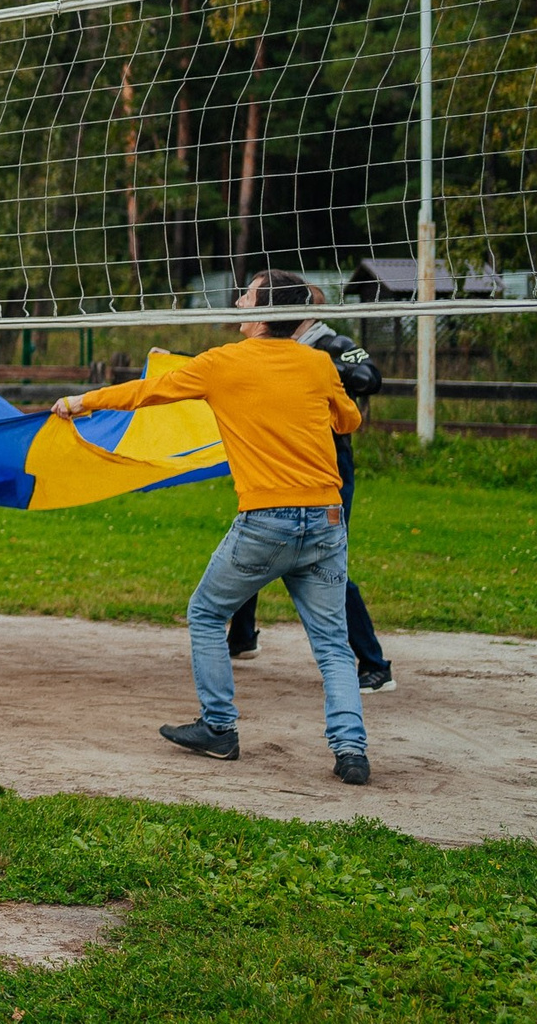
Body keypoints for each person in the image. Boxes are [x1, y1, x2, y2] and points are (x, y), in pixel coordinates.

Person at [53, 269, 371, 786]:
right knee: (332, 644)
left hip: (267, 519)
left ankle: (219, 728)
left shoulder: (223, 362)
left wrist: (81, 402)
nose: (238, 298)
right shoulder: (317, 363)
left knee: (205, 612)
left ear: (262, 314)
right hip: (326, 519)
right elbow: (349, 421)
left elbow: (148, 392)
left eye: (247, 292)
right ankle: (351, 752)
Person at [227, 318, 393, 692]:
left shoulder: (333, 345)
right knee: (251, 548)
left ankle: (374, 664)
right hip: (277, 469)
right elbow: (225, 371)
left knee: (325, 565)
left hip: (327, 472)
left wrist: (310, 363)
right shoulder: (266, 350)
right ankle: (241, 638)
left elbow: (370, 378)